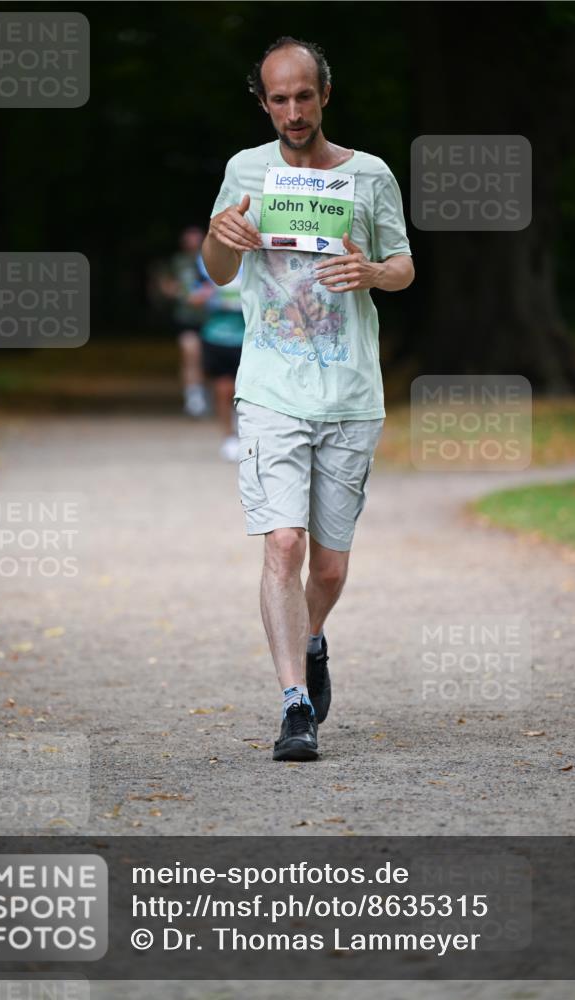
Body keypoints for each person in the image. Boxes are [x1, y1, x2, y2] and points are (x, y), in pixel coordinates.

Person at [203, 37, 414, 761]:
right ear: (262, 103)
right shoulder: (245, 170)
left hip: (350, 391)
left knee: (326, 567)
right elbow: (219, 267)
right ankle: (295, 704)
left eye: (303, 96)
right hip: (270, 388)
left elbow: (403, 265)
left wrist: (371, 274)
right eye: (278, 99)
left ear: (325, 94)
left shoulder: (370, 175)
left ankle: (313, 637)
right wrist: (221, 234)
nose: (292, 111)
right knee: (282, 543)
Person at [188, 257, 245, 461]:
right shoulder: (206, 264)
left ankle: (245, 436)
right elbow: (193, 297)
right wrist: (209, 295)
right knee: (223, 389)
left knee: (245, 391)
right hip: (216, 337)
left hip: (249, 339)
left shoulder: (255, 259)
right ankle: (228, 437)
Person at [154, 226, 210, 418]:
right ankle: (194, 396)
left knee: (208, 358)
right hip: (186, 317)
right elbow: (166, 284)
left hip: (212, 317)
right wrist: (180, 293)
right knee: (190, 353)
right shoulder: (177, 262)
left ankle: (213, 394)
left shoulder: (212, 259)